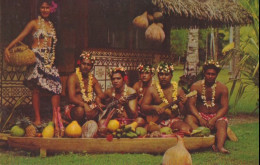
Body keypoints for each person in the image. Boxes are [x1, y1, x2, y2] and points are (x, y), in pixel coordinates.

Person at [4, 0, 61, 126]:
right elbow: (21, 36)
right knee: (36, 89)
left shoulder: (51, 25)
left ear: (51, 9)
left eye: (47, 7)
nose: (45, 10)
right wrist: (8, 48)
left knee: (56, 87)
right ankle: (38, 119)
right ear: (39, 9)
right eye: (42, 7)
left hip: (49, 59)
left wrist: (52, 59)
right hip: (36, 57)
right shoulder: (34, 23)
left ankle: (54, 119)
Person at [185, 60, 229, 153]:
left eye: (213, 74)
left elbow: (224, 107)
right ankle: (204, 140)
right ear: (204, 73)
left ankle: (219, 147)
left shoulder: (222, 88)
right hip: (200, 115)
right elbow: (191, 104)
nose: (210, 76)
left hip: (216, 116)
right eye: (208, 73)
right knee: (189, 119)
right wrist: (199, 118)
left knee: (222, 124)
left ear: (216, 75)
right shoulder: (196, 86)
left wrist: (215, 118)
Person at [141, 62, 192, 133]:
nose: (164, 77)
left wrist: (184, 103)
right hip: (155, 122)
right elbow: (143, 107)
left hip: (172, 120)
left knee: (185, 128)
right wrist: (154, 107)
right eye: (161, 74)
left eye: (167, 74)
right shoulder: (152, 90)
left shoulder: (178, 90)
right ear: (158, 76)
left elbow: (183, 113)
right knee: (154, 130)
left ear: (171, 76)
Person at [65, 51, 105, 124]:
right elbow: (71, 98)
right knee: (80, 111)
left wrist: (98, 100)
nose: (86, 67)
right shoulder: (73, 77)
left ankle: (88, 124)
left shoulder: (92, 79)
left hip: (88, 106)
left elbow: (101, 95)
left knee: (102, 109)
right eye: (84, 64)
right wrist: (84, 105)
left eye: (88, 65)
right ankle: (76, 126)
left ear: (92, 67)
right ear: (79, 64)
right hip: (74, 107)